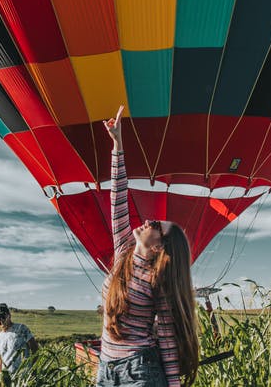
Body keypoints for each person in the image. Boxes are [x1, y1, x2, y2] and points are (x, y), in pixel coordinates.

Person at [97, 106, 199, 387]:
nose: (149, 220)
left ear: (159, 248)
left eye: (157, 226)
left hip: (140, 370)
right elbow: (118, 197)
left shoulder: (159, 281)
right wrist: (118, 144)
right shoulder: (123, 255)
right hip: (105, 368)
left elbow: (166, 336)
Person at [0, 303, 38, 383]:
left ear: (9, 315)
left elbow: (35, 349)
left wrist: (33, 370)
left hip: (23, 378)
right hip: (6, 380)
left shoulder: (21, 328)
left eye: (3, 316)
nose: (1, 320)